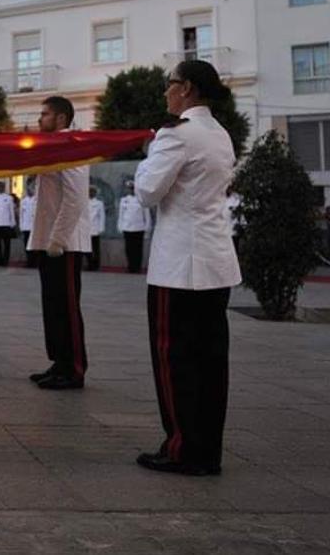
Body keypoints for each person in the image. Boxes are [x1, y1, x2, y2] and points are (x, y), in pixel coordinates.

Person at [133, 59, 241, 476]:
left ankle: (181, 447)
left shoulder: (176, 135)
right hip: (214, 263)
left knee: (174, 359)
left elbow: (147, 191)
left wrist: (149, 154)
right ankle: (205, 448)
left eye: (171, 84)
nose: (166, 91)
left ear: (188, 89)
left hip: (178, 266)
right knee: (211, 363)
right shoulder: (219, 134)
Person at [27, 96, 91, 391]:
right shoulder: (53, 146)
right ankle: (60, 362)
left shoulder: (71, 145)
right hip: (49, 240)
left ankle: (74, 368)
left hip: (63, 244)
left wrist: (58, 239)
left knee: (66, 306)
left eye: (45, 115)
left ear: (62, 118)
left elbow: (76, 196)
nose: (41, 119)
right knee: (52, 306)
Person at [119, 182, 152, 273]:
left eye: (133, 188)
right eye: (130, 188)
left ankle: (137, 267)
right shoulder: (124, 200)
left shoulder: (141, 200)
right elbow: (121, 215)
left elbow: (147, 216)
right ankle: (130, 266)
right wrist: (120, 226)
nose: (131, 190)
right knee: (128, 249)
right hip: (127, 227)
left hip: (139, 228)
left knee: (138, 249)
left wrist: (147, 228)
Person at [0, 181, 17, 267]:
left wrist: (13, 222)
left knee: (6, 244)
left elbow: (11, 211)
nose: (0, 187)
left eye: (2, 186)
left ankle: (5, 261)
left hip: (6, 224)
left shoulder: (9, 198)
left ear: (4, 187)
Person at [87, 186, 105, 272]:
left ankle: (96, 265)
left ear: (95, 193)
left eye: (92, 192)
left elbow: (102, 217)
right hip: (86, 229)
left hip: (95, 228)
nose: (90, 193)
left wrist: (101, 228)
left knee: (96, 249)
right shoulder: (84, 202)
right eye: (89, 191)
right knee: (87, 249)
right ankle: (89, 264)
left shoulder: (99, 203)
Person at [19, 183, 37, 268]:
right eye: (28, 189)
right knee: (27, 245)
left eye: (31, 189)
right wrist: (21, 226)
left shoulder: (37, 200)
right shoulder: (23, 201)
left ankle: (34, 261)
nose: (30, 190)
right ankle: (29, 261)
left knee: (34, 246)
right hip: (26, 226)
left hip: (34, 227)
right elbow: (21, 214)